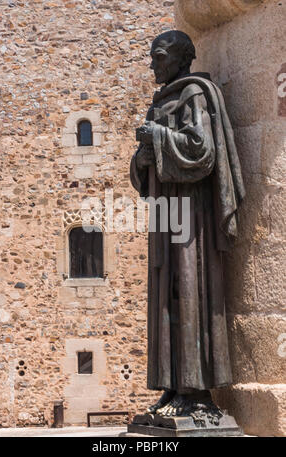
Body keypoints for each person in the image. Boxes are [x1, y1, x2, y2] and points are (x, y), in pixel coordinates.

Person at [130, 30, 245, 418]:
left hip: (191, 217)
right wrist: (142, 159)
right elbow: (142, 170)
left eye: (159, 56)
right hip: (165, 214)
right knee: (166, 295)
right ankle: (172, 384)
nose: (153, 64)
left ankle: (196, 391)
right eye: (152, 57)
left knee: (190, 293)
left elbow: (202, 150)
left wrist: (158, 136)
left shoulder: (193, 94)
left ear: (180, 59)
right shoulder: (160, 101)